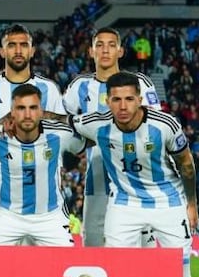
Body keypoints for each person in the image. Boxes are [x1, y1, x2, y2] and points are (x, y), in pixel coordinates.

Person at [58, 71, 199, 277]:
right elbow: (63, 121)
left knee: (181, 273)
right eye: (116, 99)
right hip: (124, 205)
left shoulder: (165, 125)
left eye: (129, 99)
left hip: (168, 203)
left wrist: (192, 205)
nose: (123, 106)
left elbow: (187, 165)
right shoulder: (96, 123)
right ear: (107, 101)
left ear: (140, 100)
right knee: (117, 275)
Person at [0, 23, 65, 243]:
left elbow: (66, 129)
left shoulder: (49, 89)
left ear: (32, 51)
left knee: (46, 266)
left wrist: (39, 115)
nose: (18, 51)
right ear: (2, 51)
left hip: (45, 197)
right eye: (12, 45)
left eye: (24, 45)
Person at [63, 27, 162, 247]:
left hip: (137, 179)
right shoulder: (79, 87)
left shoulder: (140, 84)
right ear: (91, 51)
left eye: (111, 45)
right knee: (94, 244)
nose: (105, 50)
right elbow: (65, 128)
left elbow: (156, 126)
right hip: (96, 178)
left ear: (120, 51)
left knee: (141, 252)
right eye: (100, 45)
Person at [0, 84, 85, 246]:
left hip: (49, 216)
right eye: (21, 108)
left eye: (33, 108)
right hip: (7, 215)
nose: (27, 114)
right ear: (12, 112)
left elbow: (89, 139)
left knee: (66, 265)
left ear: (41, 111)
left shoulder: (60, 134)